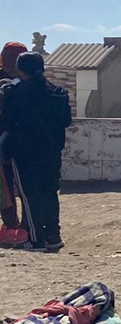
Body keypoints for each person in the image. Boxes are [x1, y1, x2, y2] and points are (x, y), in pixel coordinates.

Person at [0, 52, 71, 252]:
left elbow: (5, 121)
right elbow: (66, 121)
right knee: (50, 192)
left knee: (30, 194)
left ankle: (35, 237)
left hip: (24, 153)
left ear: (20, 69)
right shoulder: (58, 92)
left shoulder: (15, 93)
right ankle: (53, 235)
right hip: (52, 151)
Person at [0, 42, 28, 246]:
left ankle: (11, 226)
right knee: (26, 187)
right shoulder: (26, 82)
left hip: (6, 143)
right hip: (23, 144)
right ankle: (24, 227)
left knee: (5, 186)